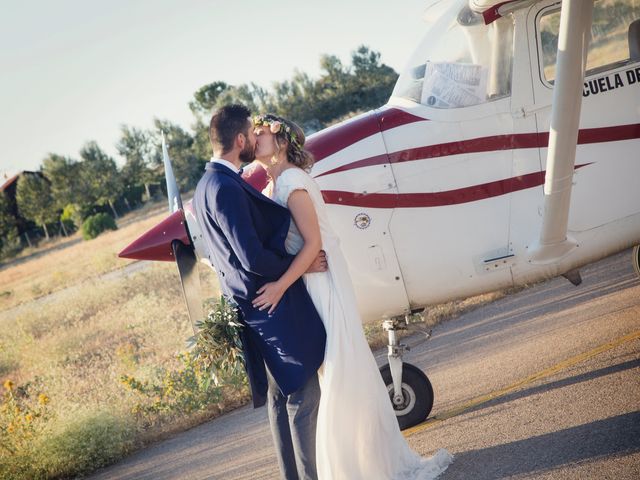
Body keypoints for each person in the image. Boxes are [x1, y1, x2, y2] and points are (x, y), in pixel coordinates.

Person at [251, 113, 453, 480]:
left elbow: (313, 243)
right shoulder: (271, 186)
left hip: (323, 281)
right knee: (333, 372)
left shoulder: (293, 181)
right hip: (307, 279)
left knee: (341, 370)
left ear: (280, 141)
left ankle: (361, 466)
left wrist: (280, 285)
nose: (254, 138)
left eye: (261, 132)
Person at [193, 104, 327, 480]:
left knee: (280, 396)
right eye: (251, 133)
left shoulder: (206, 185)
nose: (255, 137)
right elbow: (251, 257)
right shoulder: (224, 188)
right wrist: (297, 267)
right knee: (303, 393)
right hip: (270, 305)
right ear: (239, 140)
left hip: (254, 307)